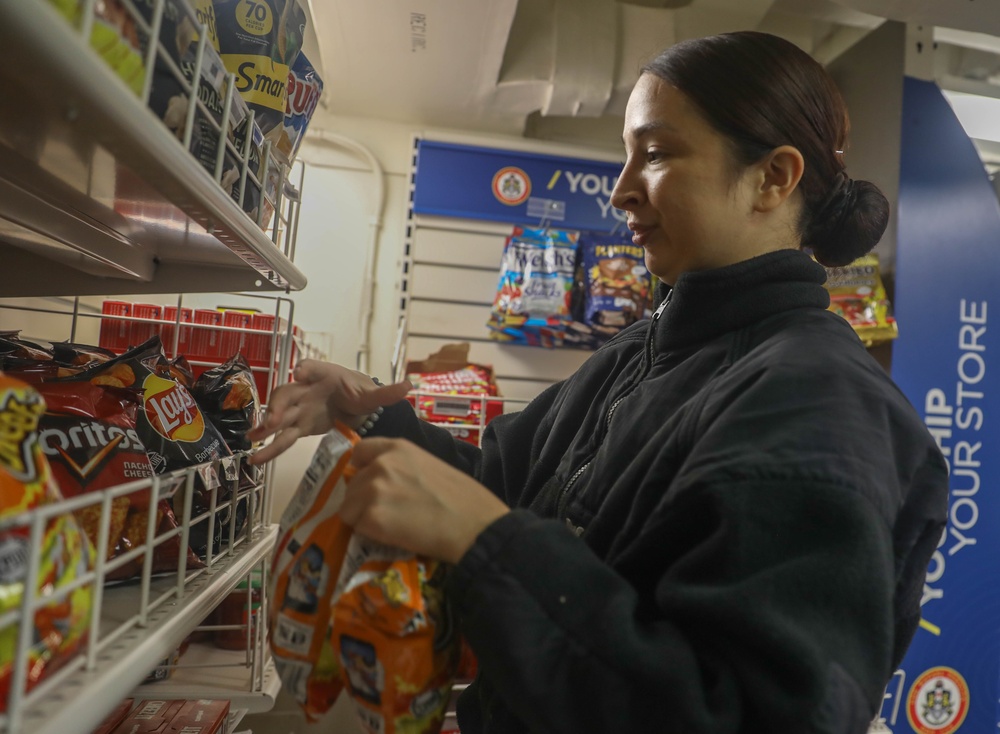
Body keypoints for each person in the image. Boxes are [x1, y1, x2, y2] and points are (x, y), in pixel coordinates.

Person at [248, 30, 948, 734]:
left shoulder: (821, 407)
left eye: (656, 153)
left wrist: (485, 541)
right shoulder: (646, 348)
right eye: (626, 155)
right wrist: (370, 418)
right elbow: (506, 484)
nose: (621, 190)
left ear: (773, 177)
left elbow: (749, 714)